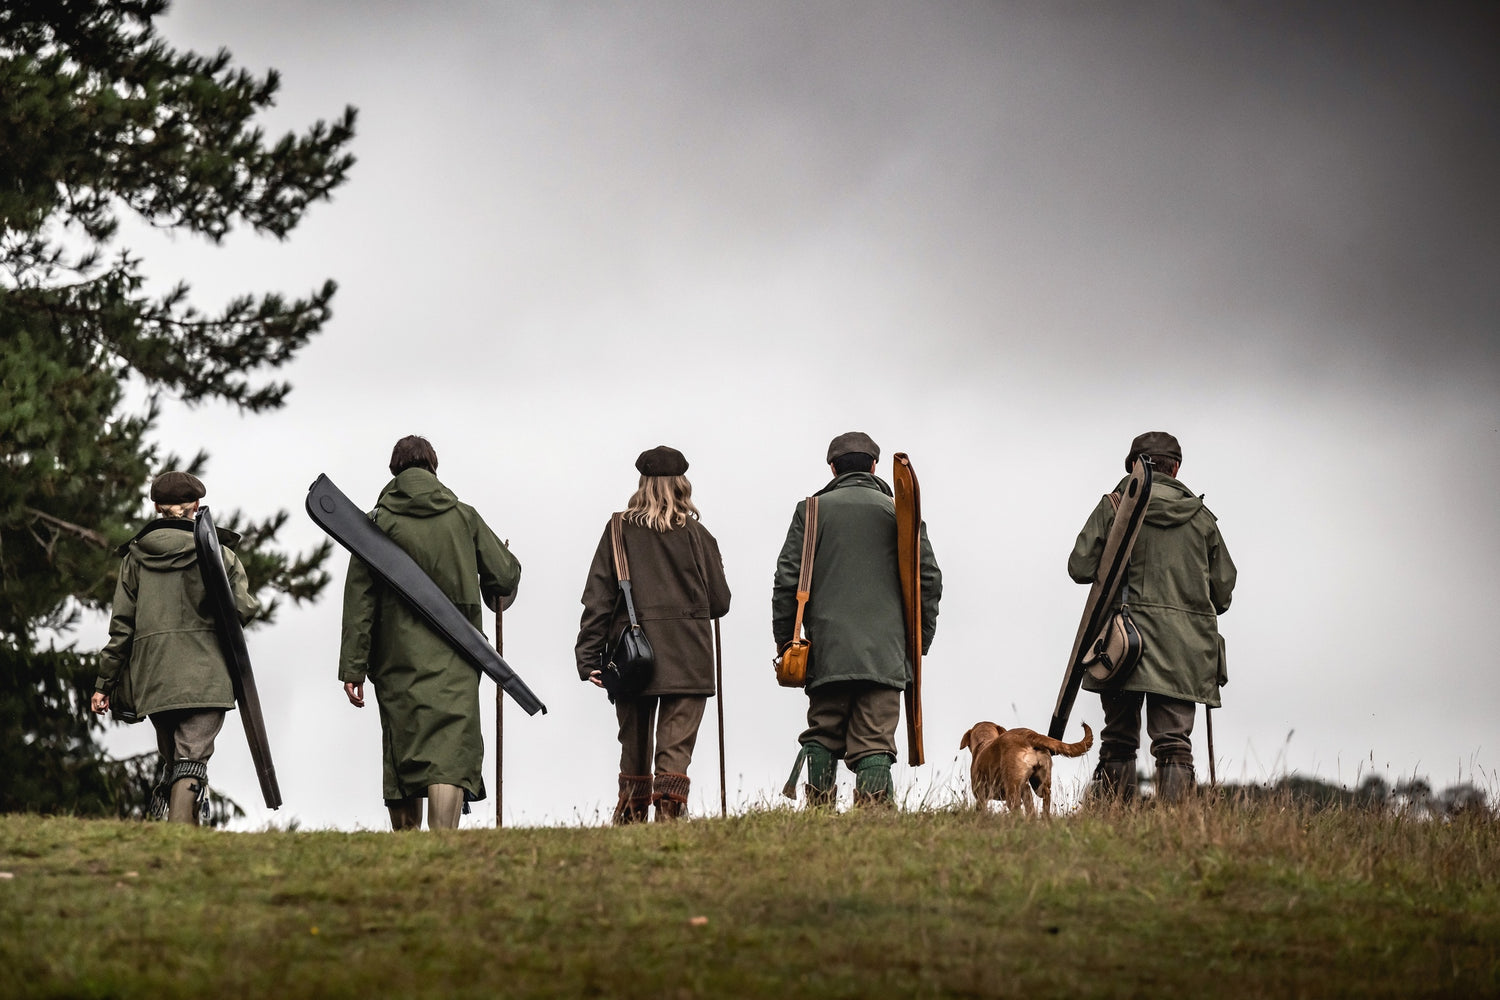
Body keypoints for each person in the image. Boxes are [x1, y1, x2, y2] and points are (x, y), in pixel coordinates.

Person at [339, 435, 520, 830]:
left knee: (404, 747)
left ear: (394, 472)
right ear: (434, 468)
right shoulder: (464, 516)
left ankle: (408, 847)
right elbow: (504, 577)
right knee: (450, 751)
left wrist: (353, 669)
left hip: (396, 658)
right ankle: (444, 844)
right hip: (458, 655)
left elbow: (359, 601)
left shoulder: (375, 524)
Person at [773, 431, 941, 808]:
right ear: (874, 466)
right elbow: (928, 578)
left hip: (826, 652)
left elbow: (786, 581)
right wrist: (917, 644)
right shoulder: (899, 512)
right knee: (876, 741)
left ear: (832, 468)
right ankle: (875, 823)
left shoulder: (811, 511)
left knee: (822, 733)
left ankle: (817, 817)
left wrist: (786, 644)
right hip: (886, 653)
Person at [1069, 431, 1237, 804]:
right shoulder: (1202, 519)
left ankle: (1114, 822)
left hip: (1120, 643)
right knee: (1174, 743)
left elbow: (1079, 567)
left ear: (1133, 468)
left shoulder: (1115, 507)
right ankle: (1176, 828)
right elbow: (1223, 594)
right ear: (1175, 469)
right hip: (1184, 649)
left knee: (1118, 738)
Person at [91, 471, 260, 825]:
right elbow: (242, 609)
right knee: (191, 761)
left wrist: (103, 684)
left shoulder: (134, 559)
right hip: (206, 675)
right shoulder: (220, 554)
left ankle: (183, 841)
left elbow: (121, 628)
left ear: (156, 508)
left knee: (175, 762)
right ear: (195, 505)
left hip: (155, 678)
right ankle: (179, 839)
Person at [575, 446, 731, 823]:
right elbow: (720, 602)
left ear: (642, 483)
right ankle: (669, 819)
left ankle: (629, 823)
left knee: (634, 749)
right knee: (674, 751)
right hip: (688, 657)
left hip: (631, 658)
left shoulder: (618, 530)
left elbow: (598, 598)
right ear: (681, 485)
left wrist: (588, 658)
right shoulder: (697, 534)